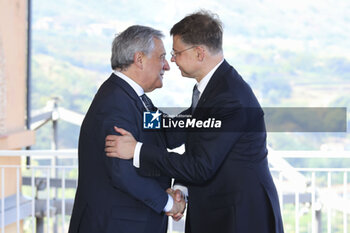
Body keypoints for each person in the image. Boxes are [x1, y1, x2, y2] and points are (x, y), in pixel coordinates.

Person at [105, 11, 284, 233]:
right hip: (221, 210)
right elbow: (175, 130)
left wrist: (137, 150)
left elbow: (200, 166)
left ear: (199, 53)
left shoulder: (229, 98)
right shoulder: (210, 88)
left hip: (240, 217)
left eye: (176, 53)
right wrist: (135, 104)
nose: (171, 60)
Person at [68, 25, 185, 233]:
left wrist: (209, 108)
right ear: (139, 59)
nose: (166, 65)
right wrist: (168, 203)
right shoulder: (116, 103)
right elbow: (123, 173)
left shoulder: (131, 97)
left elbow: (169, 132)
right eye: (161, 57)